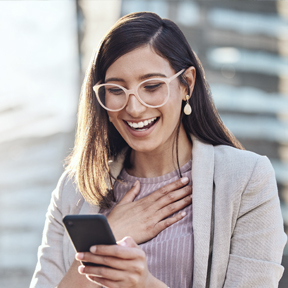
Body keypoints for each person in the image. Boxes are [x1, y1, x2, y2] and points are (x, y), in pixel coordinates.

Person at [30, 12, 287, 288]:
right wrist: (108, 238)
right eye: (116, 90)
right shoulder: (75, 188)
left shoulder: (247, 179)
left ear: (186, 83)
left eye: (151, 86)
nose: (134, 107)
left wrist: (144, 284)